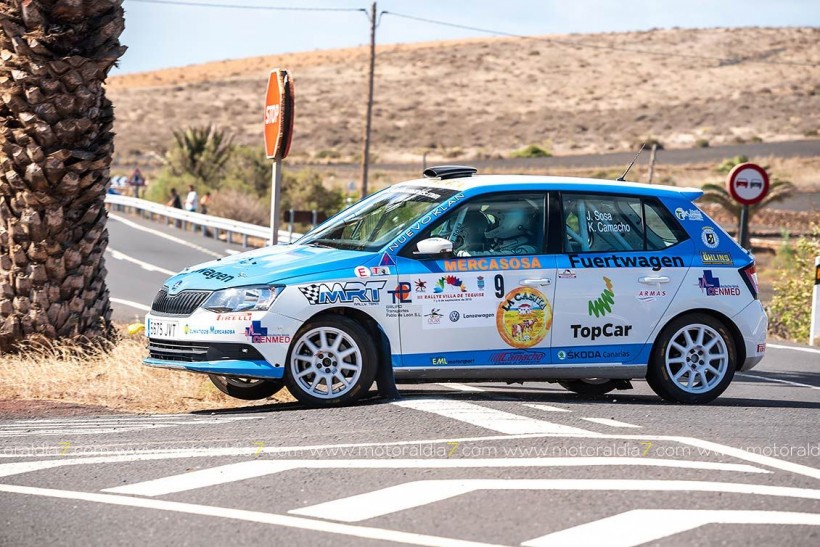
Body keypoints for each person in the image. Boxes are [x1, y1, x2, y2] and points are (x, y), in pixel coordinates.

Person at [457, 203, 538, 256]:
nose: (491, 225)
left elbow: (495, 257)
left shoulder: (527, 250)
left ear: (510, 223)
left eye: (496, 221)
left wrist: (462, 254)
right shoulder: (500, 244)